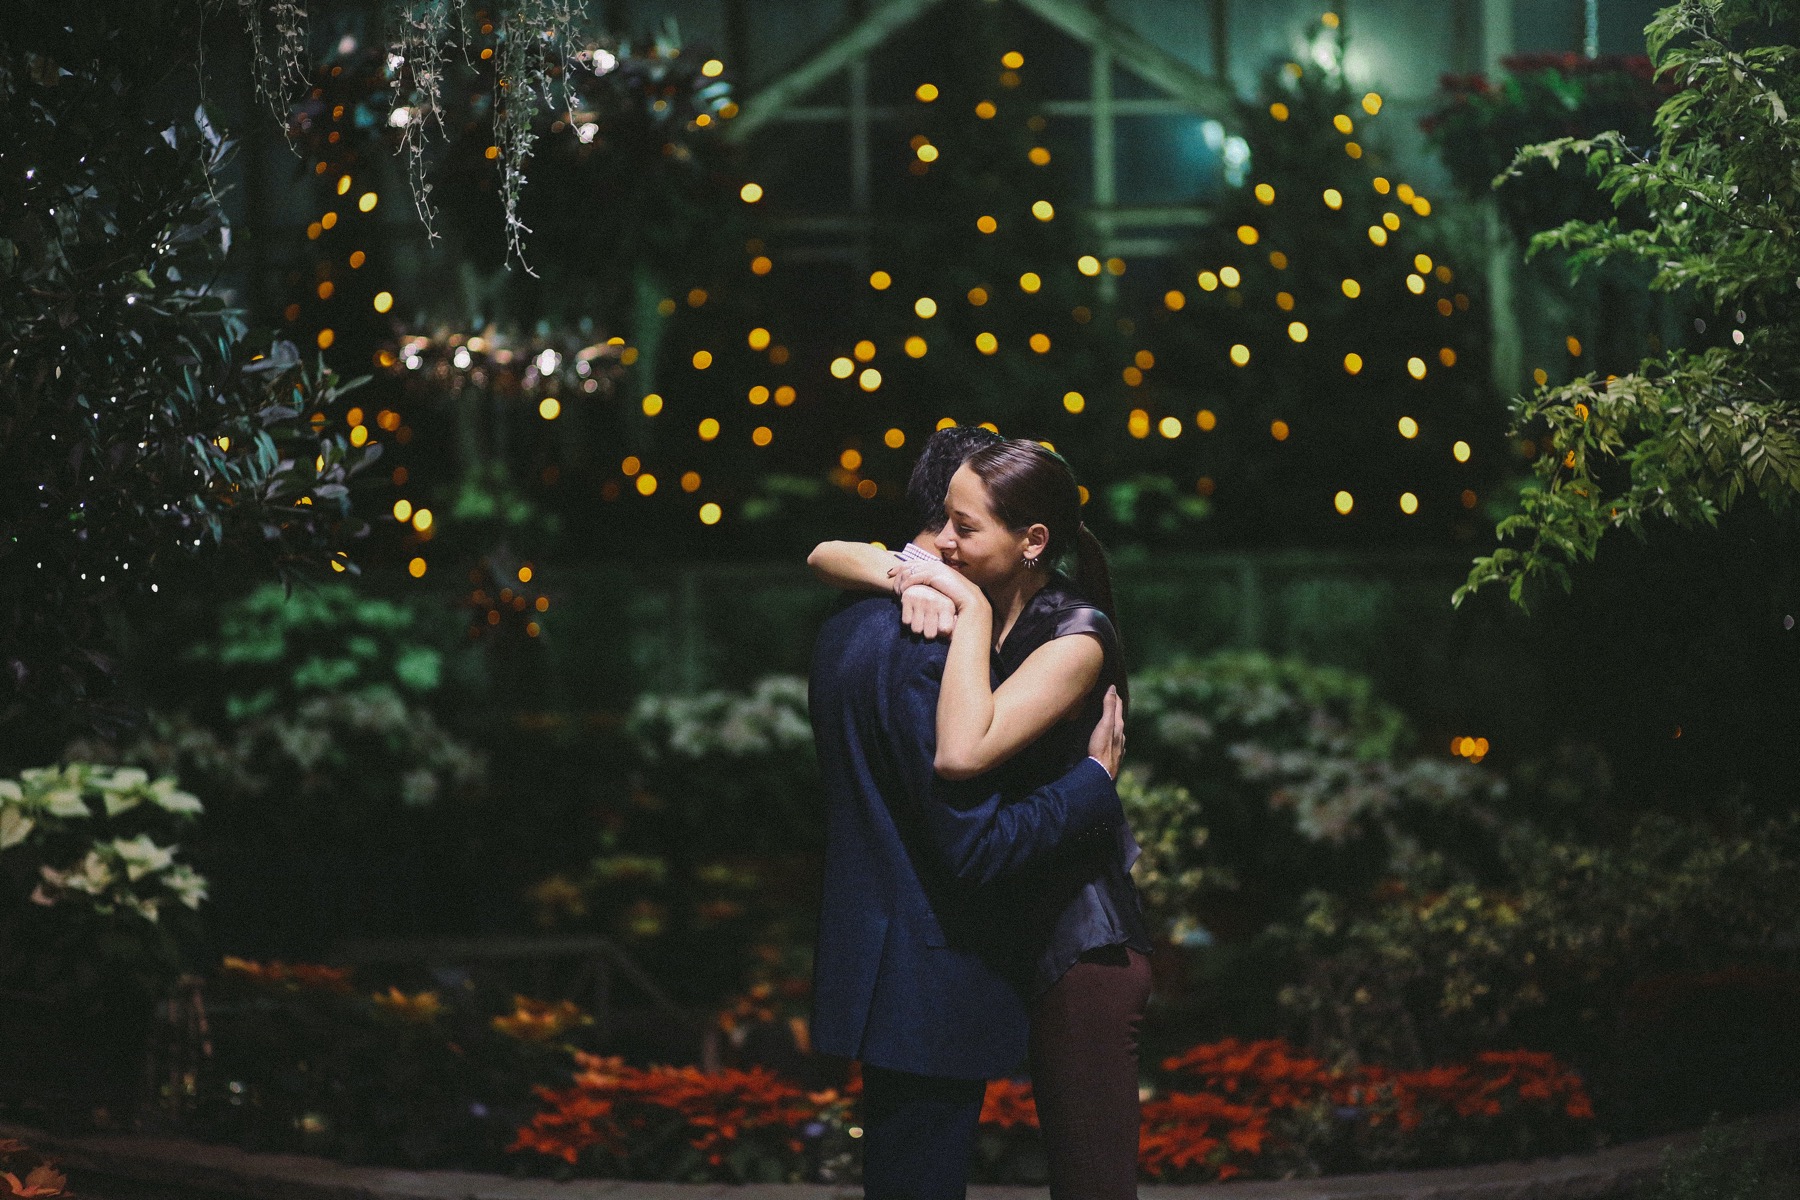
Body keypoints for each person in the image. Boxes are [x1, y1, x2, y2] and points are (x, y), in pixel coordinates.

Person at [811, 438, 1152, 1200]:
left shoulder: (1073, 634)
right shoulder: (954, 602)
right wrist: (907, 576)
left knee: (1091, 1183)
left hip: (1077, 939)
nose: (942, 545)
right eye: (944, 526)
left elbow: (962, 754)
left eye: (963, 528)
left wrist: (1098, 779)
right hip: (993, 937)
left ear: (1030, 542)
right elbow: (827, 552)